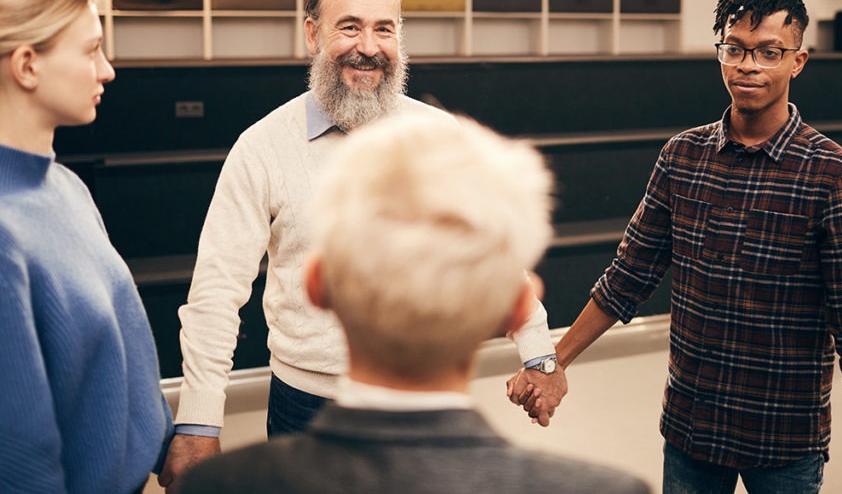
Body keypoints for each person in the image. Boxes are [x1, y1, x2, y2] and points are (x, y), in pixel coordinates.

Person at [160, 0, 567, 489]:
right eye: (349, 26)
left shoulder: (440, 137)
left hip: (421, 405)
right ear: (312, 33)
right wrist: (198, 419)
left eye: (384, 28)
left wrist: (539, 353)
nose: (368, 46)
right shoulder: (261, 148)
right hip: (303, 408)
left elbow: (493, 256)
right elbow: (217, 289)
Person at [512, 0, 842, 494]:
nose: (748, 65)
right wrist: (552, 363)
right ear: (719, 53)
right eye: (734, 49)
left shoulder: (831, 173)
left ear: (797, 62)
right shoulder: (683, 156)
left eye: (768, 52)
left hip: (783, 438)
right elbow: (628, 276)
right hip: (692, 431)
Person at [173, 113, 650, 493]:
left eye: (384, 26)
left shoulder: (224, 485)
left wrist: (543, 358)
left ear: (317, 286)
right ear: (516, 304)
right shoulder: (612, 488)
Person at [0, 0, 173, 493]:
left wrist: (166, 445)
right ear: (27, 65)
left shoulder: (67, 189)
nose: (107, 70)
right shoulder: (5, 233)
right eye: (90, 49)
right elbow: (21, 457)